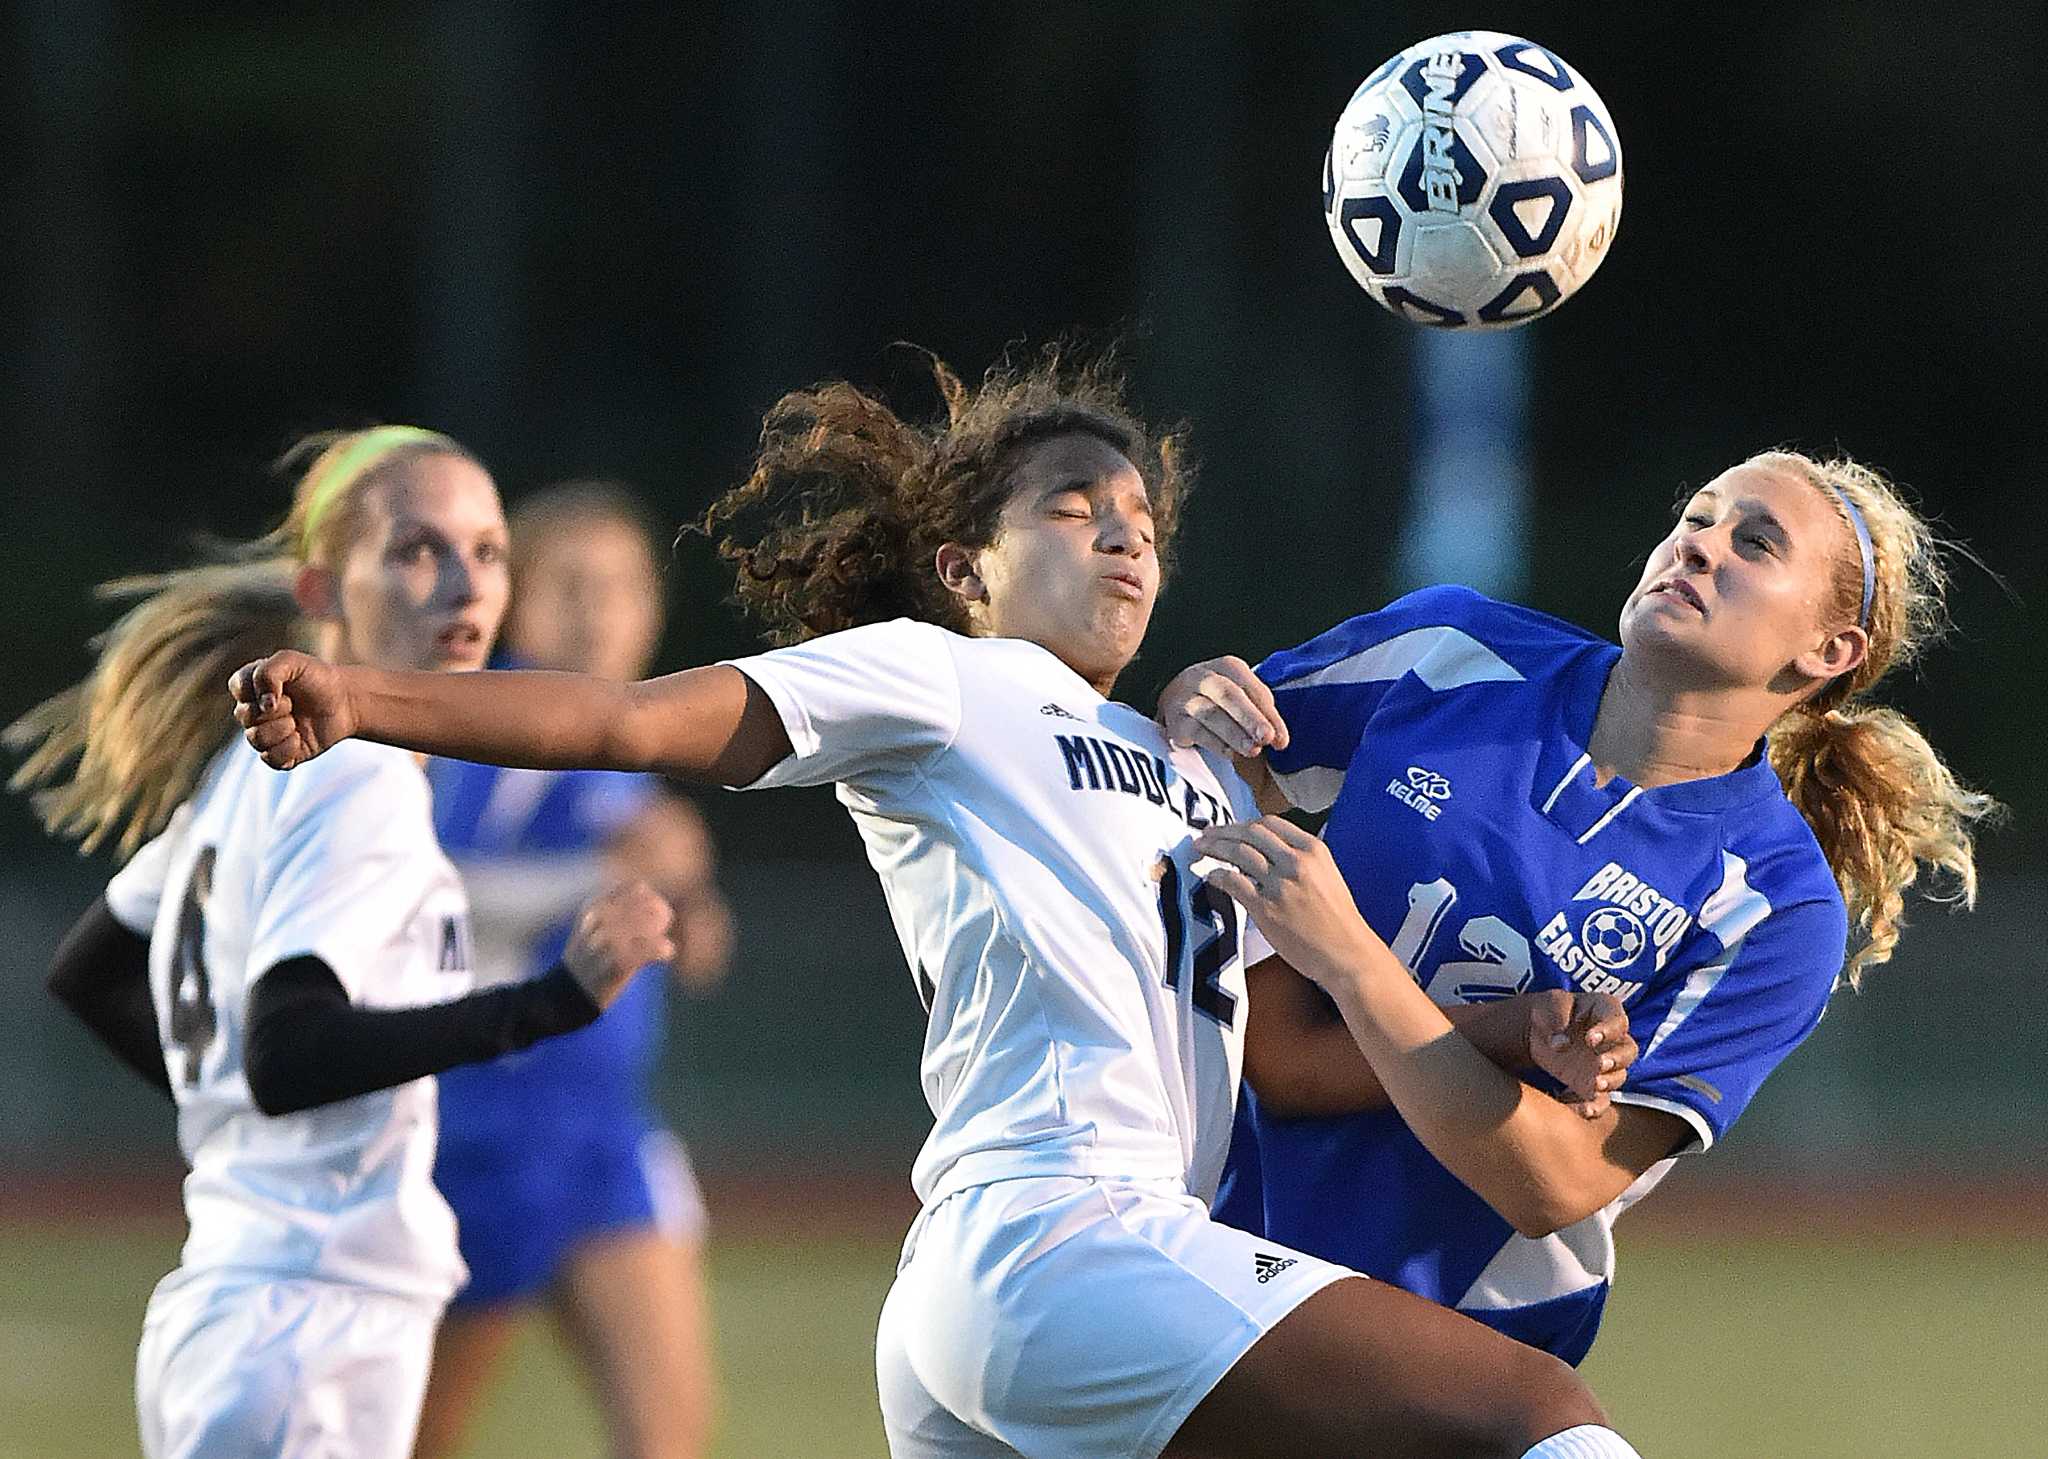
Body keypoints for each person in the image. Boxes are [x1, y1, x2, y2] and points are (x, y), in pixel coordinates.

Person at [230, 353, 1648, 1459]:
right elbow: (626, 718)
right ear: (966, 569)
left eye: (1143, 518)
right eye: (1074, 510)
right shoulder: (939, 677)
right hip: (1060, 1232)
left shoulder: (1200, 771)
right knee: (1532, 1409)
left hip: (1022, 1287)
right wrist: (360, 698)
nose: (1123, 538)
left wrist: (1515, 1024)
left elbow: (1284, 1053)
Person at [1160, 449, 1997, 1364]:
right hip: (1209, 1232)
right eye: (1697, 518)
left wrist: (1353, 962)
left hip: (1453, 1331)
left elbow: (1554, 1178)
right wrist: (1190, 712)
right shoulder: (1455, 646)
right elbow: (1205, 784)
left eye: (1753, 542)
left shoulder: (1777, 905)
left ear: (1830, 651)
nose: (1700, 548)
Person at [9, 426, 674, 1459]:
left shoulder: (252, 770)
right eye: (416, 550)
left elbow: (89, 971)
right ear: (324, 589)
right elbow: (289, 1050)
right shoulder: (356, 774)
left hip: (246, 1308)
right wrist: (555, 999)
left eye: (487, 551)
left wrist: (237, 1110)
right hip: (312, 1328)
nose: (464, 583)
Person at [413, 483, 732, 1459]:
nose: (599, 610)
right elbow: (432, 904)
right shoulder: (476, 725)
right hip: (473, 1136)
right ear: (513, 599)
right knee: (407, 1437)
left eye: (623, 585)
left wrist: (689, 912)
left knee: (667, 1436)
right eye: (571, 583)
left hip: (601, 1136)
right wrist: (604, 874)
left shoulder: (627, 746)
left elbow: (683, 925)